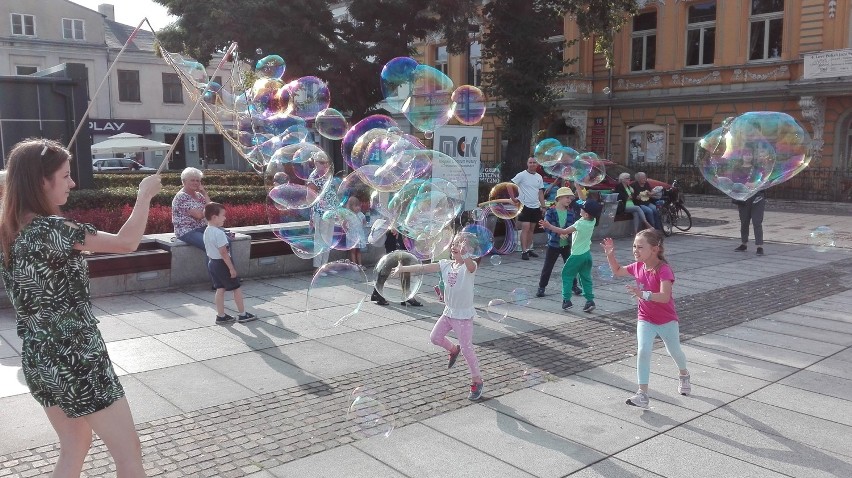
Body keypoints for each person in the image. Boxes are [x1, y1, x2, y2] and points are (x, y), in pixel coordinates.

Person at [0, 138, 162, 477]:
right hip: (77, 357)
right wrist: (144, 195)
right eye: (65, 175)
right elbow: (126, 242)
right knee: (129, 454)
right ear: (41, 181)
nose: (73, 183)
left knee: (74, 444)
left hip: (39, 357)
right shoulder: (53, 229)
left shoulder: (9, 230)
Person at [600, 230, 691, 409]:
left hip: (667, 320)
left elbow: (665, 297)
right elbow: (618, 271)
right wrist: (610, 255)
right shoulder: (638, 266)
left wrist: (643, 294)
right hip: (645, 318)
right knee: (643, 351)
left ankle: (684, 374)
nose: (635, 250)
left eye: (640, 247)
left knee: (675, 352)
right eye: (634, 246)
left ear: (655, 249)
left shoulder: (664, 270)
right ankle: (642, 394)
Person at [391, 232, 484, 400]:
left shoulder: (469, 267)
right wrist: (403, 269)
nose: (456, 247)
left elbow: (470, 266)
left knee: (467, 348)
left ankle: (477, 380)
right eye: (455, 244)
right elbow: (423, 268)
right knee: (435, 338)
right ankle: (452, 349)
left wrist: (466, 255)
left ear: (469, 251)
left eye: (461, 245)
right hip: (448, 313)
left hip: (463, 316)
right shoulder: (446, 264)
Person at [539, 200, 601, 313]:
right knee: (585, 278)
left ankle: (566, 301)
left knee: (567, 275)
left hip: (577, 256)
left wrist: (549, 225)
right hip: (587, 255)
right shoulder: (593, 220)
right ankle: (590, 301)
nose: (579, 209)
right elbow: (581, 207)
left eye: (582, 209)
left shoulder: (580, 224)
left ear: (586, 214)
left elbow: (563, 231)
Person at [203, 202, 256, 325]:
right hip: (223, 264)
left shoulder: (207, 231)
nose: (225, 218)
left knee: (220, 288)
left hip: (212, 263)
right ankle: (243, 314)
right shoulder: (219, 233)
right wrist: (231, 268)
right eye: (223, 215)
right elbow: (224, 253)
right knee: (236, 288)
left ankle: (221, 316)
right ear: (215, 217)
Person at [536, 186, 582, 298]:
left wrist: (568, 234)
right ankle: (541, 287)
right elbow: (546, 227)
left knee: (570, 266)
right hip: (553, 245)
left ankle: (574, 286)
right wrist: (558, 234)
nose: (569, 200)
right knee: (548, 267)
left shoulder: (571, 213)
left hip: (566, 245)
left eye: (570, 199)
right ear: (559, 198)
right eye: (567, 197)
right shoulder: (550, 212)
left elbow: (572, 227)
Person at [370, 229, 423, 306]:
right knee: (389, 264)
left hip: (405, 235)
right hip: (394, 236)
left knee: (406, 264)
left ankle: (406, 295)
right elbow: (388, 218)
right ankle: (377, 293)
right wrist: (394, 227)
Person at [306, 154, 338, 268]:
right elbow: (310, 199)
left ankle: (324, 266)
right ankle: (317, 267)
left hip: (330, 212)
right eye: (322, 162)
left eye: (327, 162)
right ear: (316, 163)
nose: (326, 165)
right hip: (320, 213)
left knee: (328, 240)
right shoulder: (314, 177)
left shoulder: (327, 175)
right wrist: (311, 217)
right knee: (320, 240)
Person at [511, 157, 547, 260]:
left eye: (534, 163)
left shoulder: (539, 177)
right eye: (530, 162)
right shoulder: (522, 175)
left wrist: (543, 206)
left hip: (535, 206)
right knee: (525, 228)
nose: (532, 164)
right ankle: (524, 251)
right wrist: (514, 198)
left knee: (532, 229)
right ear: (527, 164)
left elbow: (540, 192)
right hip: (524, 206)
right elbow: (510, 185)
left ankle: (529, 249)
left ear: (537, 164)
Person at [171, 167, 211, 250]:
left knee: (225, 241)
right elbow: (199, 215)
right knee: (210, 245)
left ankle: (227, 263)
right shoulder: (181, 196)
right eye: (192, 180)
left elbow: (212, 208)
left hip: (202, 228)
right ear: (184, 182)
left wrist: (204, 193)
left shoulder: (200, 195)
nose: (195, 183)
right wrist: (209, 210)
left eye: (198, 181)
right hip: (187, 231)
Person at [733, 190, 765, 255]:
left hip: (758, 196)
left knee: (757, 222)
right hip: (744, 196)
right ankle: (744, 244)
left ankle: (759, 246)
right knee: (744, 222)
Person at [346, 197, 366, 266]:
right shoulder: (349, 215)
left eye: (359, 205)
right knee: (353, 251)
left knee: (358, 250)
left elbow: (364, 222)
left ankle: (360, 264)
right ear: (351, 207)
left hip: (359, 235)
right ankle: (354, 265)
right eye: (356, 206)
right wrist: (347, 231)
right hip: (352, 235)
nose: (358, 207)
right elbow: (344, 224)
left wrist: (361, 229)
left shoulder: (361, 214)